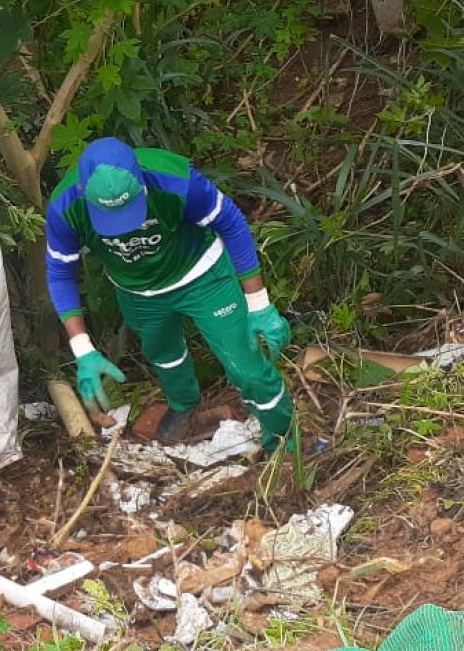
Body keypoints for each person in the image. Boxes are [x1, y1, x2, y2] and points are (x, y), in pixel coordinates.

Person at [45, 137, 292, 449]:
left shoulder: (176, 181)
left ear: (141, 180)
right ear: (82, 190)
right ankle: (183, 402)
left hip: (202, 275)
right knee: (163, 354)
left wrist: (259, 305)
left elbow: (232, 224)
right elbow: (59, 273)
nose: (124, 229)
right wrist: (83, 348)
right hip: (137, 291)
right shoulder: (65, 207)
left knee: (247, 366)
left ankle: (283, 439)